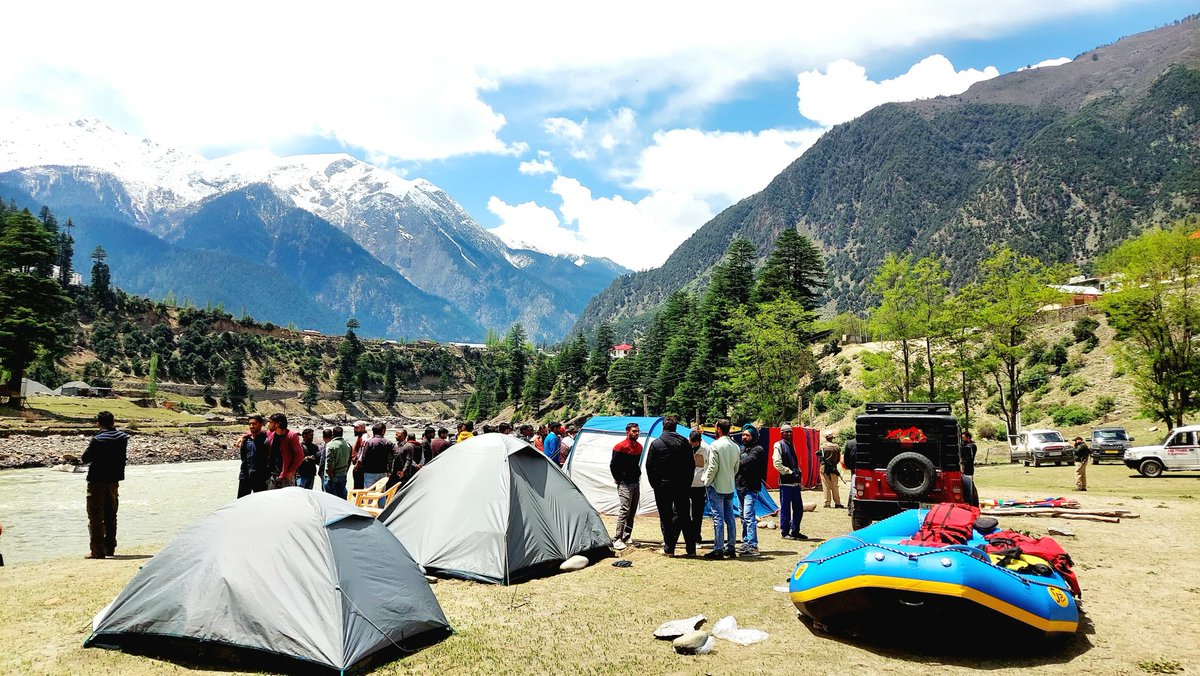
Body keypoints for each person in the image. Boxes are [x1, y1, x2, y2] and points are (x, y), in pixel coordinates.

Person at [645, 416, 696, 557]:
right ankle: (691, 549)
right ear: (675, 427)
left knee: (666, 518)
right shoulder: (684, 442)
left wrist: (655, 485)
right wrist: (687, 484)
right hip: (682, 486)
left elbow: (649, 467)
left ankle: (669, 548)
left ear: (663, 427)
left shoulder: (656, 444)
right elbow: (691, 466)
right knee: (685, 517)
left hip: (663, 486)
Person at [82, 411, 127, 559]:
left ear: (98, 424)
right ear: (113, 422)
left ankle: (97, 550)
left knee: (95, 516)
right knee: (111, 514)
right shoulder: (123, 438)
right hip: (114, 481)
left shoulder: (97, 440)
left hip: (96, 481)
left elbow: (85, 458)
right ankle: (110, 548)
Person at [702, 419, 740, 560]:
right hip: (729, 485)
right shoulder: (735, 446)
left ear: (718, 429)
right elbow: (736, 467)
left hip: (716, 485)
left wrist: (706, 481)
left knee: (718, 517)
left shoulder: (715, 446)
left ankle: (718, 548)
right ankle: (731, 547)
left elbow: (713, 467)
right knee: (730, 517)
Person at [609, 421, 643, 550]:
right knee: (624, 510)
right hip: (625, 483)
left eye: (638, 431)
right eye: (634, 431)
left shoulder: (639, 447)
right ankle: (618, 538)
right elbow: (613, 465)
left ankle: (627, 536)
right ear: (627, 432)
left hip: (635, 482)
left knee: (632, 511)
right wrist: (619, 479)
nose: (637, 433)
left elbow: (636, 464)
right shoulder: (620, 447)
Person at [735, 426, 767, 556]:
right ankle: (746, 542)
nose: (744, 437)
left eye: (747, 435)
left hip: (751, 488)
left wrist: (735, 463)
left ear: (753, 436)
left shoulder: (758, 450)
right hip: (740, 487)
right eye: (743, 435)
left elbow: (749, 460)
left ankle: (753, 545)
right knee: (743, 516)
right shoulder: (742, 449)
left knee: (749, 516)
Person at [774, 423, 807, 540]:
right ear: (781, 433)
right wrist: (788, 472)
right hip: (785, 483)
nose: (789, 434)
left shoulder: (791, 445)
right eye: (786, 432)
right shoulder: (778, 445)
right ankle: (785, 532)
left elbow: (795, 463)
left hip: (795, 483)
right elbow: (777, 463)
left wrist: (798, 475)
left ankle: (795, 530)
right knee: (785, 509)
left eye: (790, 432)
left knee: (798, 508)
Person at [685, 430, 709, 553]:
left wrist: (704, 480)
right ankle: (687, 538)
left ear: (699, 441)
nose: (693, 445)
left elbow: (709, 466)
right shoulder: (685, 446)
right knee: (684, 513)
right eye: (691, 442)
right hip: (686, 484)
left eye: (695, 443)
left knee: (697, 514)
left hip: (699, 485)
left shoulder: (706, 448)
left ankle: (696, 538)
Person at [236, 414, 269, 498]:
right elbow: (243, 458)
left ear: (261, 424)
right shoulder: (246, 440)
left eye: (254, 424)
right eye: (250, 424)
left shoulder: (266, 440)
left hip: (260, 478)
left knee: (262, 504)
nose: (251, 426)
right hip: (245, 477)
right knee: (241, 504)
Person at [266, 413, 302, 489]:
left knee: (287, 499)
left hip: (286, 475)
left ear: (277, 424)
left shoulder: (291, 436)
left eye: (271, 422)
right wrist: (243, 436)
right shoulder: (270, 435)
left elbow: (299, 455)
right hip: (273, 475)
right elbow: (256, 432)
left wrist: (291, 471)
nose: (268, 424)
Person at [359, 422, 395, 489]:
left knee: (368, 493)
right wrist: (389, 470)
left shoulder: (369, 442)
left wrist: (363, 469)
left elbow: (364, 457)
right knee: (381, 494)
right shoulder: (388, 442)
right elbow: (392, 457)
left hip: (369, 472)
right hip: (382, 471)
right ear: (383, 431)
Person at [323, 426, 351, 499]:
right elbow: (349, 461)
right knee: (342, 497)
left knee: (330, 498)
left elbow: (329, 462)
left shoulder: (331, 445)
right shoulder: (347, 445)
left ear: (333, 434)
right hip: (343, 474)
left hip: (332, 475)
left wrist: (330, 475)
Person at [820, 431, 843, 509]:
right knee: (835, 486)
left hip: (824, 468)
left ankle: (827, 503)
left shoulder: (822, 447)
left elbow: (820, 459)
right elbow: (838, 459)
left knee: (826, 486)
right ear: (832, 438)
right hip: (833, 468)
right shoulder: (836, 447)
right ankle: (837, 502)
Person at [350, 420, 368, 489]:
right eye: (354, 427)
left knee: (358, 487)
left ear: (363, 428)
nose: (354, 429)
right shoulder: (361, 436)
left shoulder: (364, 437)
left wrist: (357, 464)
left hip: (360, 467)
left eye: (357, 427)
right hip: (359, 466)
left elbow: (363, 451)